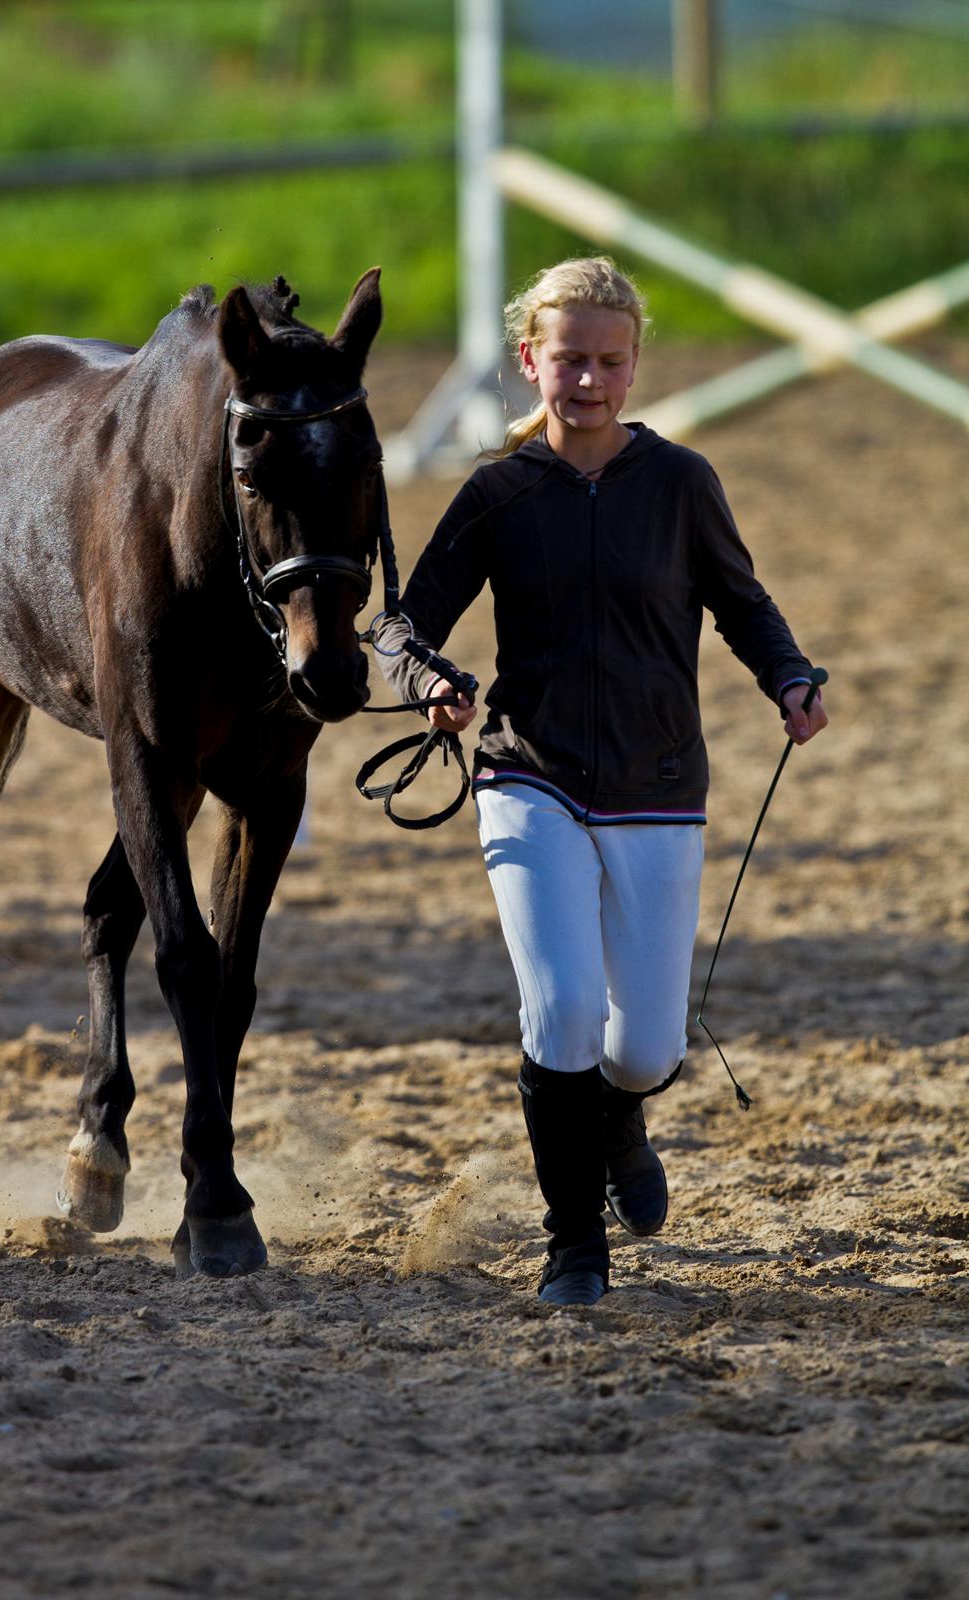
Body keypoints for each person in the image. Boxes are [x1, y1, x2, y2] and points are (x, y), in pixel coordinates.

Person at [375, 257, 827, 1307]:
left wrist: (790, 678)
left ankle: (620, 1117)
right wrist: (429, 679)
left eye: (606, 361)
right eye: (565, 358)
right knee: (566, 1010)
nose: (585, 379)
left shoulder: (680, 483)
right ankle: (572, 1244)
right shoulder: (496, 493)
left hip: (658, 786)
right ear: (528, 360)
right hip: (524, 778)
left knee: (643, 1049)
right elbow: (399, 626)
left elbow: (743, 604)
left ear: (632, 367)